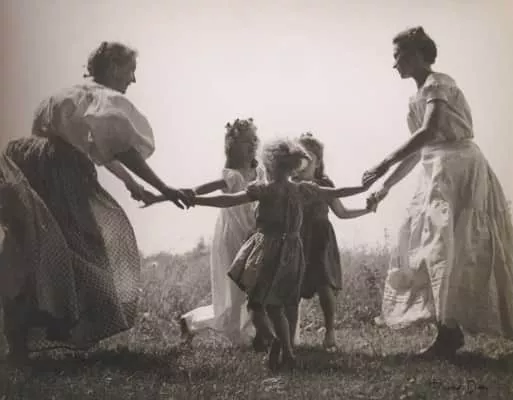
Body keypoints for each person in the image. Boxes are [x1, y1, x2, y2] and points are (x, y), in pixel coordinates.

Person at [0, 41, 192, 364]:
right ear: (114, 67)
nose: (133, 79)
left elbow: (96, 149)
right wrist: (165, 187)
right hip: (61, 175)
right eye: (131, 71)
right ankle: (63, 321)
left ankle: (21, 340)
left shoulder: (64, 95)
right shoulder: (103, 98)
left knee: (33, 249)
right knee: (86, 249)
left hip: (30, 166)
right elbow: (121, 149)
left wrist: (131, 183)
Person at [363, 26, 513, 357]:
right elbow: (419, 150)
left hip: (460, 169)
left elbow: (430, 131)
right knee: (434, 248)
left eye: (399, 55)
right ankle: (448, 331)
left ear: (417, 54)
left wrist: (383, 163)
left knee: (460, 247)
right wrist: (384, 186)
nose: (395, 64)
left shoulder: (438, 84)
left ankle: (452, 331)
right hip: (436, 172)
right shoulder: (415, 100)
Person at [188, 137, 369, 371]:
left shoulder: (264, 190)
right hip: (293, 253)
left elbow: (227, 200)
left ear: (269, 165)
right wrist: (363, 188)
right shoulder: (302, 190)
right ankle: (288, 351)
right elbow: (337, 192)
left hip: (267, 252)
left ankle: (273, 339)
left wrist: (196, 200)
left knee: (256, 305)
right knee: (280, 306)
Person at [294, 133, 375, 351]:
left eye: (307, 157)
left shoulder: (324, 184)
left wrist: (367, 209)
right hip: (297, 238)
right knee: (293, 286)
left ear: (318, 161)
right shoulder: (290, 185)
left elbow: (341, 212)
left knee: (324, 284)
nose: (302, 162)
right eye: (297, 157)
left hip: (320, 239)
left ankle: (330, 331)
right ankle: (289, 334)